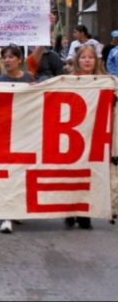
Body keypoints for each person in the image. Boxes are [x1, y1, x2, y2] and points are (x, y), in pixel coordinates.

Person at [64, 45, 107, 230]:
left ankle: (84, 212)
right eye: (83, 57)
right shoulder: (68, 81)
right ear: (77, 60)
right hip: (73, 133)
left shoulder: (105, 82)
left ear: (96, 60)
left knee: (90, 173)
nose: (87, 60)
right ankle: (70, 209)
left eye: (90, 57)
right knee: (72, 172)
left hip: (94, 133)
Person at [0, 45, 32, 234]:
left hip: (24, 133)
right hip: (3, 133)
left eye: (11, 57)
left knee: (20, 173)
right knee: (5, 173)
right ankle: (5, 214)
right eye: (4, 57)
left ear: (20, 59)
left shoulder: (29, 79)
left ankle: (15, 209)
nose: (7, 60)